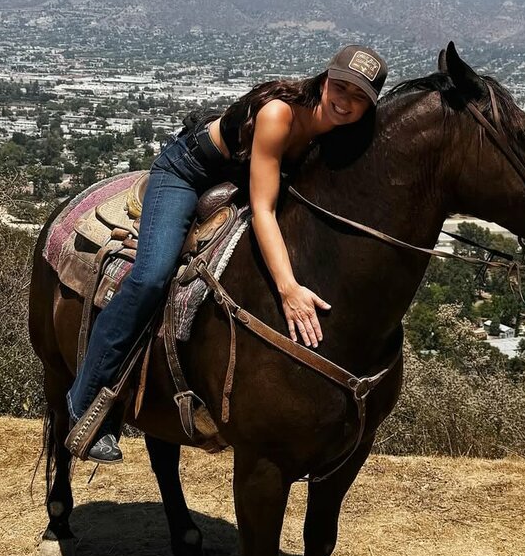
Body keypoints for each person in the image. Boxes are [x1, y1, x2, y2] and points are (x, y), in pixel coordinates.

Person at [65, 44, 389, 463]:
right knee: (151, 277)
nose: (345, 101)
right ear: (325, 79)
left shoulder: (344, 133)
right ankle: (85, 401)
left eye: (359, 96)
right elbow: (263, 209)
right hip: (189, 173)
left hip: (241, 181)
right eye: (341, 87)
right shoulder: (280, 114)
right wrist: (288, 288)